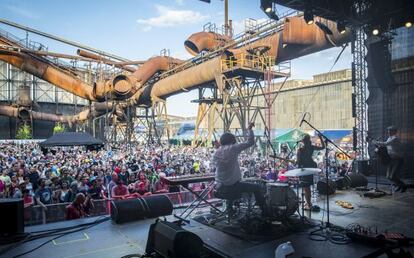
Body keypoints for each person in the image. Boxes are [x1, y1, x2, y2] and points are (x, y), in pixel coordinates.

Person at [213, 123, 266, 213]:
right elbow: (250, 142)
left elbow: (221, 162)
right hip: (231, 187)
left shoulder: (216, 153)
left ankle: (230, 210)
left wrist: (219, 148)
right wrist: (249, 129)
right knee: (257, 187)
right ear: (232, 140)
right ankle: (264, 211)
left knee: (231, 184)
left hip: (219, 187)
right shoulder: (233, 148)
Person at [373, 126, 407, 192]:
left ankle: (403, 186)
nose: (388, 132)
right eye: (388, 131)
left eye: (390, 131)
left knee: (392, 176)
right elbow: (386, 146)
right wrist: (378, 146)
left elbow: (386, 144)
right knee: (388, 176)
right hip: (391, 159)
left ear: (394, 132)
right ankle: (399, 185)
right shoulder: (389, 138)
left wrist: (375, 142)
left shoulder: (395, 138)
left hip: (398, 160)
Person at [296, 133, 325, 211]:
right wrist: (321, 138)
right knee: (308, 187)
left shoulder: (300, 150)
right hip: (310, 168)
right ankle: (308, 203)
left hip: (303, 170)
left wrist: (296, 162)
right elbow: (323, 147)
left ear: (303, 142)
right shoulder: (311, 148)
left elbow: (298, 162)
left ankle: (308, 204)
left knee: (306, 188)